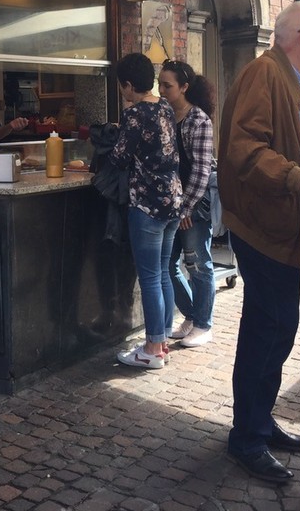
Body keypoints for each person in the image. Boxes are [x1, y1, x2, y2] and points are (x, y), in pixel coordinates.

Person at [218, 0, 300, 483]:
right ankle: (245, 437)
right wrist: (295, 177)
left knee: (276, 327)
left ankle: (258, 424)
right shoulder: (264, 74)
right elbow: (244, 148)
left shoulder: (299, 83)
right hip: (263, 228)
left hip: (286, 227)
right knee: (270, 327)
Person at [112, 53, 183, 371]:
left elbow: (119, 157)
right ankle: (162, 340)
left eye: (121, 87)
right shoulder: (165, 106)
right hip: (172, 200)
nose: (122, 92)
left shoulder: (136, 113)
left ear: (128, 85)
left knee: (151, 276)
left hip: (147, 203)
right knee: (165, 271)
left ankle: (153, 348)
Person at [158, 59, 216, 348]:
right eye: (160, 84)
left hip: (194, 205)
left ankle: (204, 324)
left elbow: (201, 171)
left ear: (184, 87)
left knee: (198, 264)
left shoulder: (199, 120)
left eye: (167, 85)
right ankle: (192, 315)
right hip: (173, 206)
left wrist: (186, 207)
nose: (162, 89)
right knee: (167, 263)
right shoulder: (165, 115)